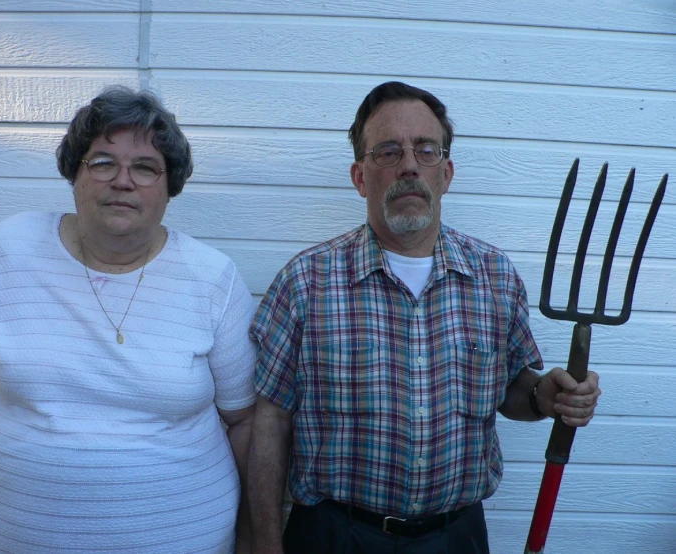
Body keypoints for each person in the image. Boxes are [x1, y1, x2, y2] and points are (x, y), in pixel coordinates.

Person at [247, 81, 602, 554]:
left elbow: (512, 388)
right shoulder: (305, 282)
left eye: (425, 150)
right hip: (335, 535)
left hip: (456, 536)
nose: (409, 165)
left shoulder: (494, 276)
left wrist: (543, 395)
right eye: (388, 152)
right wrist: (266, 544)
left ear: (446, 172)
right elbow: (270, 422)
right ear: (359, 177)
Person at [0, 87, 256, 554]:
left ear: (171, 186)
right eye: (103, 162)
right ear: (75, 174)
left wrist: (253, 535)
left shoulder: (213, 279)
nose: (123, 181)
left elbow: (246, 419)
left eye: (145, 167)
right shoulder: (9, 251)